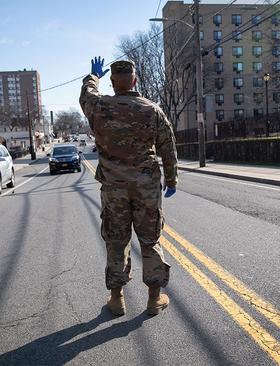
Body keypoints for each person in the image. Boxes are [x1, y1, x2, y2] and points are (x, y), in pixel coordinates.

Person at [79, 57, 178, 316]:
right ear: (135, 80)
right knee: (150, 239)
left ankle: (116, 298)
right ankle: (154, 299)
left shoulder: (100, 107)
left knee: (116, 241)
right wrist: (172, 179)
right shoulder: (151, 109)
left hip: (114, 189)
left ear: (113, 82)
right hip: (146, 188)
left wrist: (93, 77)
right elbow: (168, 147)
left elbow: (87, 95)